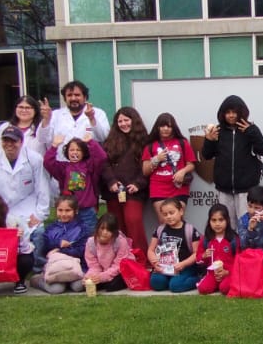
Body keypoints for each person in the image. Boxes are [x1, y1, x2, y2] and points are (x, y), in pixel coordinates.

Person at [0, 125, 49, 262]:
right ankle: (3, 264)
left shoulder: (34, 159)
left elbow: (42, 188)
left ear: (21, 142)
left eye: (13, 141)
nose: (9, 144)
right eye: (6, 140)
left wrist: (40, 214)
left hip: (27, 207)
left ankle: (38, 266)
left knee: (38, 233)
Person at [201, 95, 263, 216]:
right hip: (224, 189)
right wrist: (209, 140)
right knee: (226, 223)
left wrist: (252, 132)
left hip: (246, 189)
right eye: (228, 112)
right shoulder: (217, 131)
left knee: (246, 223)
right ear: (223, 114)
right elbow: (207, 155)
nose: (231, 115)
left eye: (234, 112)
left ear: (241, 112)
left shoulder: (250, 129)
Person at [101, 107, 151, 256]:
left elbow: (148, 166)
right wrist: (111, 181)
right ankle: (119, 259)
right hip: (114, 191)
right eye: (120, 121)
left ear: (134, 120)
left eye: (126, 120)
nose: (123, 124)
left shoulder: (145, 141)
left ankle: (140, 258)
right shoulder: (110, 141)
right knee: (116, 226)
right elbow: (104, 163)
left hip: (134, 191)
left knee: (133, 221)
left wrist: (138, 184)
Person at [44, 133, 106, 236]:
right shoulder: (64, 168)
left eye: (78, 150)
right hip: (69, 211)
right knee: (70, 236)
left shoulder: (89, 165)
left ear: (83, 152)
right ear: (67, 152)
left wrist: (91, 142)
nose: (75, 152)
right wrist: (54, 146)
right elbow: (48, 162)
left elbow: (102, 157)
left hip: (87, 211)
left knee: (89, 237)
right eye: (72, 150)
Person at [141, 113, 196, 217]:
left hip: (179, 187)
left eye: (169, 126)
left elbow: (191, 164)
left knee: (177, 219)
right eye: (162, 126)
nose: (166, 129)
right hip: (158, 188)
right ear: (157, 128)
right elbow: (145, 171)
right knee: (164, 220)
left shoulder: (183, 143)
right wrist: (157, 159)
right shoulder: (150, 146)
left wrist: (182, 172)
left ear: (173, 128)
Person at [147, 197, 203, 293]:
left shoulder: (190, 230)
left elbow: (196, 253)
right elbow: (151, 250)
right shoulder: (160, 229)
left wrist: (183, 264)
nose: (168, 216)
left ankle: (198, 279)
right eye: (165, 214)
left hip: (185, 267)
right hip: (165, 267)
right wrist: (155, 263)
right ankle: (169, 280)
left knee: (175, 286)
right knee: (156, 283)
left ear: (181, 211)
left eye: (171, 213)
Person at [36, 196, 90, 293]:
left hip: (77, 266)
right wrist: (58, 243)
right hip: (56, 266)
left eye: (68, 210)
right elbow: (45, 248)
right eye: (60, 210)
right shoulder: (51, 228)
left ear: (76, 211)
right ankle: (37, 280)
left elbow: (81, 250)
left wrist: (61, 250)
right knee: (56, 289)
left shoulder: (82, 228)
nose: (64, 214)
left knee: (78, 286)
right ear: (56, 210)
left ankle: (67, 282)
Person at [50, 81, 111, 160]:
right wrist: (46, 120)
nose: (73, 98)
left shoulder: (98, 113)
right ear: (65, 98)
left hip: (89, 164)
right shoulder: (55, 115)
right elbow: (42, 139)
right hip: (63, 164)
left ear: (85, 97)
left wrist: (92, 119)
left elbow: (103, 137)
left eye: (77, 95)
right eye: (69, 95)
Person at [197, 204, 241, 296]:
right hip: (212, 274)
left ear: (227, 220)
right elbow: (198, 259)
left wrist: (227, 272)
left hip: (228, 273)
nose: (217, 224)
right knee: (203, 289)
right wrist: (204, 256)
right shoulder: (206, 239)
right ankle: (213, 283)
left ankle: (226, 283)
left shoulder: (233, 239)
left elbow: (239, 261)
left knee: (225, 288)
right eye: (214, 220)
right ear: (209, 221)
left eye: (221, 220)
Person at [83, 213, 132, 293]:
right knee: (89, 283)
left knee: (111, 286)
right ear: (97, 228)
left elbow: (119, 265)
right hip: (103, 271)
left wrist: (102, 277)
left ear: (114, 232)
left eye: (109, 230)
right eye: (102, 228)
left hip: (121, 270)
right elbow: (93, 265)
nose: (104, 232)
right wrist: (90, 276)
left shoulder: (120, 242)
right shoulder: (91, 243)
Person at [237, 185, 263, 251]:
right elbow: (243, 246)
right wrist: (250, 229)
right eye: (250, 206)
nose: (252, 211)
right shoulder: (243, 220)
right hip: (253, 254)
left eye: (256, 208)